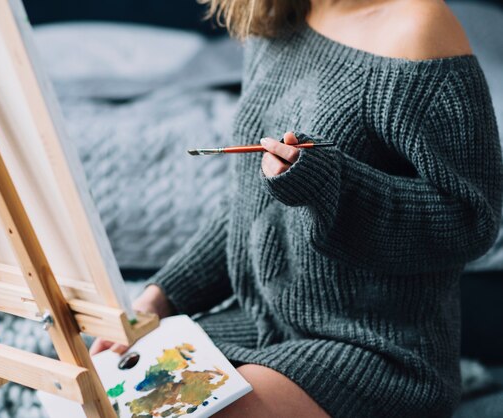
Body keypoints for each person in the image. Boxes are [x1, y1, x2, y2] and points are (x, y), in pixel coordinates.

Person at [91, 0, 503, 416]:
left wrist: (330, 183)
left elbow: (470, 220)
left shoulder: (417, 25)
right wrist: (160, 299)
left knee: (175, 407)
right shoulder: (273, 13)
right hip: (261, 322)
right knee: (105, 393)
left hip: (374, 349)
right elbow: (246, 207)